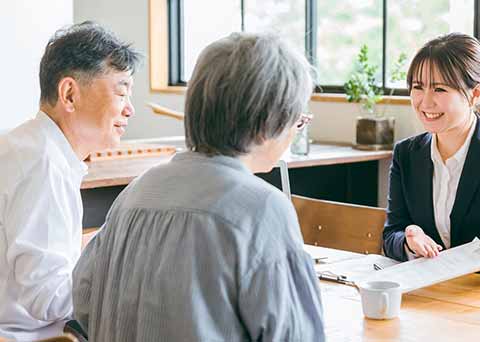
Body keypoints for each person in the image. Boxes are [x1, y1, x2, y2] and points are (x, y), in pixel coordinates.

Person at [72, 32, 325, 341]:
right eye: (297, 122)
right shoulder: (262, 209)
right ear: (268, 124)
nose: (295, 132)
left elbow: (83, 304)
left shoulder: (134, 194)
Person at [0, 22, 140, 340]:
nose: (130, 109)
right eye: (121, 92)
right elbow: (47, 299)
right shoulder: (43, 164)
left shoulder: (31, 146)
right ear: (69, 94)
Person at [383, 33, 480, 280]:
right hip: (431, 293)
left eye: (440, 89)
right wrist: (409, 240)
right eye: (418, 87)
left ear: (475, 94)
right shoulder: (406, 154)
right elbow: (391, 234)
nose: (425, 102)